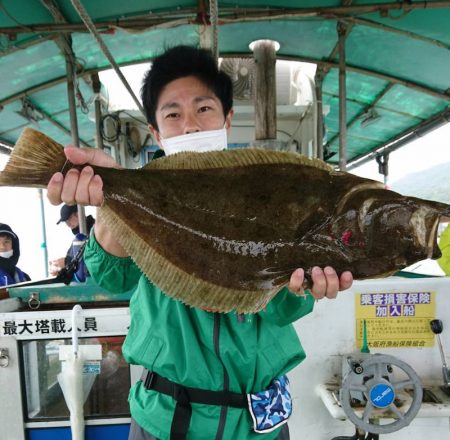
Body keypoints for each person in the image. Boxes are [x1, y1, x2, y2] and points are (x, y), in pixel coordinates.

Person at [47, 45, 353, 440]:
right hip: (166, 418)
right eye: (173, 114)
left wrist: (302, 289)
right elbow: (112, 276)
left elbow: (279, 309)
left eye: (203, 109)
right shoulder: (145, 193)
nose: (190, 125)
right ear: (156, 130)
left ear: (227, 118)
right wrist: (112, 197)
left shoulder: (268, 192)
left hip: (257, 424)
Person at [49, 204, 95, 281]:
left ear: (78, 214)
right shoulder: (78, 238)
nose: (68, 224)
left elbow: (93, 258)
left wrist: (66, 262)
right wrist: (63, 271)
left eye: (69, 218)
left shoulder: (94, 231)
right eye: (65, 221)